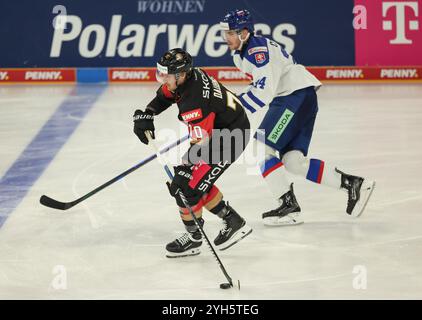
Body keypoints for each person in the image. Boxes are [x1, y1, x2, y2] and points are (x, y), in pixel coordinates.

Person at [219, 9, 375, 226]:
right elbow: (261, 85)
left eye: (231, 33)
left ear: (245, 32)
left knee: (261, 149)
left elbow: (264, 93)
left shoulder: (256, 52)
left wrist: (234, 109)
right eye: (225, 33)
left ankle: (289, 207)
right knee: (293, 162)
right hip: (300, 96)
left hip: (292, 98)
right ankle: (353, 184)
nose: (226, 38)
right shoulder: (244, 51)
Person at [133, 48, 252, 257]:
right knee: (194, 183)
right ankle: (232, 220)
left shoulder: (193, 101)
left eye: (166, 74)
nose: (163, 78)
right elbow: (165, 96)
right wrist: (148, 114)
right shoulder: (188, 78)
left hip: (229, 139)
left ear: (180, 75)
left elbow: (201, 143)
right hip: (223, 130)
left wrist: (185, 168)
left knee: (185, 186)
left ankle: (195, 237)